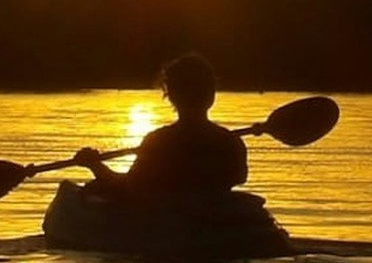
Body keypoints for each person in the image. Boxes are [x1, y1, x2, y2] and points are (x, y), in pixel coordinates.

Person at [76, 54, 248, 206]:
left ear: (171, 95)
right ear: (211, 94)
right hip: (217, 224)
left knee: (94, 189)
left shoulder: (158, 142)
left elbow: (129, 186)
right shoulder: (231, 142)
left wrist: (95, 166)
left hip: (169, 225)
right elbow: (239, 177)